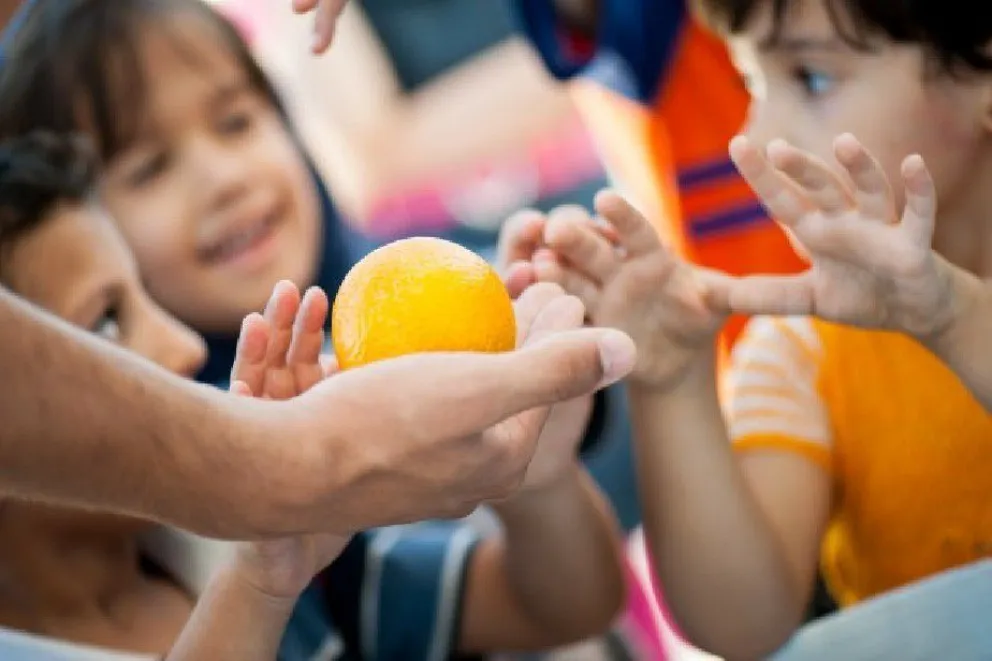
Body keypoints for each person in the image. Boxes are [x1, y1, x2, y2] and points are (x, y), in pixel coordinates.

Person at [0, 1, 629, 658]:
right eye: (149, 168)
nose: (226, 178)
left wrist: (534, 471)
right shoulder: (229, 534)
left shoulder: (258, 541)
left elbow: (564, 602)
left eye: (238, 121)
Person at [530, 0, 992, 657]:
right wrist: (672, 381)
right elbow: (742, 624)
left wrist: (950, 318)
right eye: (749, 82)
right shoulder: (802, 348)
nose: (758, 131)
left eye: (812, 77)